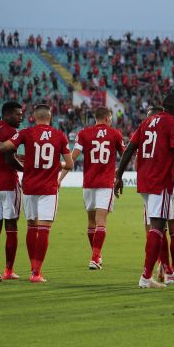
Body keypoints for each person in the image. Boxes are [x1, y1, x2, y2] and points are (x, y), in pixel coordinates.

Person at [0, 104, 73, 283]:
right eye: (18, 114)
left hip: (13, 185)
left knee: (13, 226)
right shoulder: (58, 135)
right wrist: (46, 167)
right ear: (50, 117)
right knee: (29, 228)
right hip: (31, 186)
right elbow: (70, 164)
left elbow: (3, 149)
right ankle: (27, 271)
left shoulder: (20, 132)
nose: (21, 117)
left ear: (34, 117)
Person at [114, 94, 174, 289]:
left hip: (144, 180)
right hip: (160, 179)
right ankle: (146, 277)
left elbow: (130, 148)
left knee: (158, 227)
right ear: (171, 107)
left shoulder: (147, 122)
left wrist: (119, 175)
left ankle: (157, 274)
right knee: (157, 227)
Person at [58, 107, 125, 270]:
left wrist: (59, 178)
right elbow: (125, 155)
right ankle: (95, 257)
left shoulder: (83, 133)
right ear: (108, 118)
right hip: (105, 183)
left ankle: (96, 255)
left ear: (95, 118)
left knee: (91, 222)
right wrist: (119, 174)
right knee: (101, 222)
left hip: (88, 183)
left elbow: (72, 159)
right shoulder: (115, 134)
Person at [142, 106, 174, 285]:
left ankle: (166, 268)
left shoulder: (145, 128)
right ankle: (170, 269)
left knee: (155, 227)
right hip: (166, 180)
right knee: (171, 228)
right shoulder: (171, 125)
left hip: (152, 181)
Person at [0, 101, 24, 281]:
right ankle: (9, 270)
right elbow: (10, 160)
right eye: (18, 114)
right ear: (7, 114)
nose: (21, 118)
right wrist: (27, 169)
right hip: (8, 184)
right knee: (11, 226)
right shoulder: (12, 132)